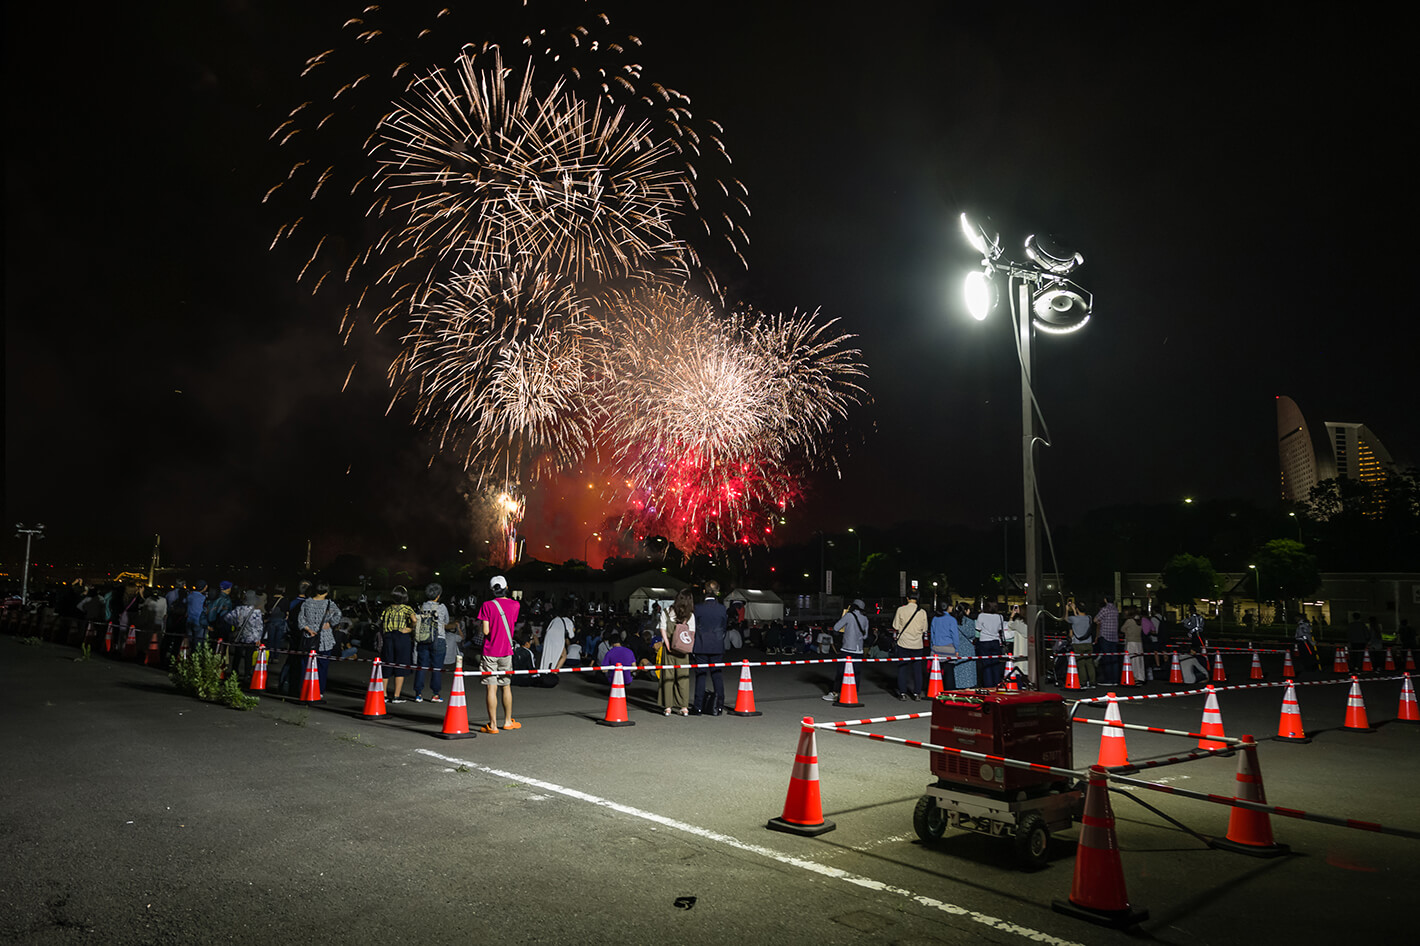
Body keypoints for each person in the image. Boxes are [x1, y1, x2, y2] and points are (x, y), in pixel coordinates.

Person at [478, 575, 521, 733]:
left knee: (491, 688)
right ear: (506, 587)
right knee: (506, 686)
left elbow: (486, 631)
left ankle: (493, 725)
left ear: (492, 590)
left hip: (490, 651)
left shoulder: (487, 606)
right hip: (506, 651)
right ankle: (508, 721)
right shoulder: (515, 605)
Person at [691, 580, 729, 716]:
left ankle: (698, 707)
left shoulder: (698, 608)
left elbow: (693, 626)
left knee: (701, 676)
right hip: (717, 645)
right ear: (717, 592)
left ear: (704, 591)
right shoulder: (722, 608)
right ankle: (719, 705)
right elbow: (724, 627)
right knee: (717, 675)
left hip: (701, 644)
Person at [298, 583, 341, 695]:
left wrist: (308, 629)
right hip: (324, 639)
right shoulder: (329, 604)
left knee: (306, 666)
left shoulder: (306, 603)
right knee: (322, 667)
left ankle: (304, 690)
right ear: (327, 592)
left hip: (309, 638)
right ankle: (319, 691)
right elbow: (338, 615)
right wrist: (330, 623)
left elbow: (300, 621)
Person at [656, 589, 693, 715]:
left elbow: (662, 628)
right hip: (683, 650)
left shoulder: (667, 612)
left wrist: (667, 644)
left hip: (669, 649)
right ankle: (684, 707)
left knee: (668, 676)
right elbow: (692, 633)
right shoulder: (690, 615)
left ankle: (668, 706)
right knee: (683, 678)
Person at [824, 599, 869, 702]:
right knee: (856, 672)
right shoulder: (865, 619)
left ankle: (835, 693)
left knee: (841, 671)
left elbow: (836, 627)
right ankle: (853, 693)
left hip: (848, 648)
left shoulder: (849, 616)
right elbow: (865, 636)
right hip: (859, 649)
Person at [412, 582, 449, 703]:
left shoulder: (421, 607)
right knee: (437, 668)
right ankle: (435, 694)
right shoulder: (442, 607)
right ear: (438, 595)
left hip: (423, 639)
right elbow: (446, 621)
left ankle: (418, 693)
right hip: (439, 640)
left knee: (421, 667)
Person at [892, 588, 929, 700]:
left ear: (907, 598)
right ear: (917, 598)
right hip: (917, 644)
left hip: (903, 643)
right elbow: (924, 629)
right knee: (917, 669)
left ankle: (902, 693)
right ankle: (917, 693)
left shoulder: (901, 610)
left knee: (902, 668)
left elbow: (896, 626)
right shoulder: (922, 612)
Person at [381, 586, 417, 703]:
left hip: (388, 637)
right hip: (401, 637)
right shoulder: (407, 609)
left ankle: (384, 694)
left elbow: (382, 622)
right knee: (400, 665)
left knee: (386, 664)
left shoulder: (387, 609)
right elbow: (415, 620)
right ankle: (396, 696)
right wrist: (410, 628)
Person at [537, 599, 574, 686]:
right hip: (558, 638)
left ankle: (544, 670)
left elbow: (547, 629)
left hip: (549, 637)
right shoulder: (568, 621)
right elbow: (571, 635)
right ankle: (554, 671)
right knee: (563, 655)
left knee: (548, 654)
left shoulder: (555, 619)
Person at [927, 600, 960, 692]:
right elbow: (955, 636)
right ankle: (949, 692)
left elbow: (932, 635)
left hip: (936, 648)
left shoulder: (935, 619)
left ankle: (937, 690)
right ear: (948, 607)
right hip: (949, 648)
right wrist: (956, 648)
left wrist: (932, 647)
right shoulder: (952, 620)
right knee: (949, 672)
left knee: (937, 671)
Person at [974, 602, 1006, 689]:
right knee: (995, 665)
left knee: (986, 665)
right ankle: (997, 685)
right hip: (996, 642)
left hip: (984, 641)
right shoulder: (1000, 616)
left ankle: (988, 686)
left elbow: (978, 628)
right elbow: (1000, 629)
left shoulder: (982, 616)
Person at [1066, 599, 1096, 689]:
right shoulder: (1089, 618)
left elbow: (1066, 619)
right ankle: (1092, 682)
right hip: (1088, 643)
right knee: (1090, 663)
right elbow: (1080, 618)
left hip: (1078, 644)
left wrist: (1067, 609)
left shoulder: (1074, 619)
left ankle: (1083, 682)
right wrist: (1075, 610)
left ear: (1078, 609)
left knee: (1081, 663)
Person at [1094, 596, 1121, 685]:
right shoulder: (1116, 610)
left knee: (1107, 658)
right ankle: (1115, 679)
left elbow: (1095, 619)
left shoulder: (1105, 609)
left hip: (1105, 636)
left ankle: (1108, 679)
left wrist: (1099, 622)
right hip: (1114, 637)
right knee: (1114, 658)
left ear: (1105, 599)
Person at [953, 604, 978, 689]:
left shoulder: (953, 621)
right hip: (967, 648)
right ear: (966, 611)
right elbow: (972, 635)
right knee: (968, 671)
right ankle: (967, 689)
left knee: (958, 669)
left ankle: (958, 687)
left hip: (955, 647)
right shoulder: (969, 621)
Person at [1121, 607, 1145, 683]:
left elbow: (1122, 629)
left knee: (1131, 660)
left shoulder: (1129, 621)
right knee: (1139, 660)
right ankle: (1140, 676)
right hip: (1139, 642)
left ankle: (1133, 676)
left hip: (1131, 641)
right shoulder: (1140, 621)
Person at [184, 581, 208, 653]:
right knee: (198, 642)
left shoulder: (189, 596)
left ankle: (190, 655)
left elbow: (185, 603)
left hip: (189, 621)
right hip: (198, 622)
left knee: (190, 641)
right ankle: (195, 658)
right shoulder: (203, 598)